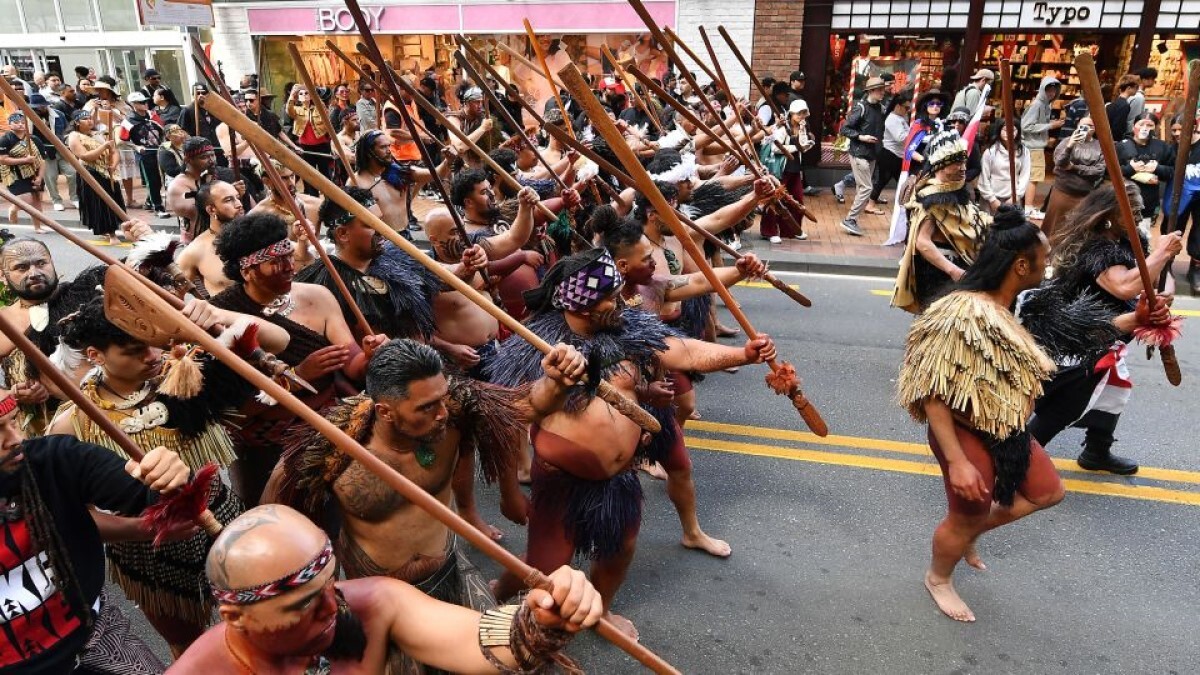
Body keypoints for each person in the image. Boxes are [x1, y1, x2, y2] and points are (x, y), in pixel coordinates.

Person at [488, 248, 777, 638]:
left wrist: (741, 353)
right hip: (561, 483)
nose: (620, 301)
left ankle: (602, 609)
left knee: (619, 550)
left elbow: (685, 350)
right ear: (582, 303)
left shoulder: (626, 329)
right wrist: (510, 488)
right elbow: (513, 415)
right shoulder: (536, 348)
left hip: (619, 480)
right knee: (547, 571)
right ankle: (514, 609)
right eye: (609, 296)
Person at [268, 338, 578, 671]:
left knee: (509, 661)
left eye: (442, 399)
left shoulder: (456, 413)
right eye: (427, 407)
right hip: (380, 599)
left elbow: (527, 404)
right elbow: (273, 528)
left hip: (450, 573)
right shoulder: (331, 452)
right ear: (385, 411)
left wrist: (556, 381)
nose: (442, 412)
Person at [47, 295, 287, 655]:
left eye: (155, 346)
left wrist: (215, 315)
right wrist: (139, 529)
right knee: (190, 647)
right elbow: (62, 514)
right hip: (150, 551)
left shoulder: (185, 375)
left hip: (223, 517)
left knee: (266, 623)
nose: (153, 357)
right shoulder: (74, 423)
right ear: (95, 355)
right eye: (133, 351)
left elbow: (278, 341)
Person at [170, 503, 603, 673]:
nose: (332, 608)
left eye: (331, 585)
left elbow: (480, 641)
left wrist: (542, 617)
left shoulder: (373, 602)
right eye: (304, 604)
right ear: (235, 617)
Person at [898, 205, 1063, 623]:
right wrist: (957, 462)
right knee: (964, 514)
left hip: (1006, 429)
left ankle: (970, 531)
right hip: (961, 432)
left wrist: (1136, 319)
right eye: (1044, 260)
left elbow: (1076, 327)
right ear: (1021, 265)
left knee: (1047, 493)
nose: (1049, 266)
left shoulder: (1011, 304)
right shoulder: (960, 312)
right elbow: (932, 393)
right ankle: (938, 577)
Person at [595, 208, 767, 558]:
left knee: (680, 466)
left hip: (657, 393)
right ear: (621, 266)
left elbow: (698, 282)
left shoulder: (651, 287)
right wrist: (639, 391)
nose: (655, 264)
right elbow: (593, 372)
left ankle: (692, 532)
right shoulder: (596, 307)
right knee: (610, 488)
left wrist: (738, 269)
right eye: (646, 259)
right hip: (614, 406)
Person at [0, 387, 195, 673]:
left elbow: (158, 499)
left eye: (13, 421)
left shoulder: (54, 460)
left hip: (92, 639)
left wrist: (172, 478)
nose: (16, 439)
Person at [210, 212, 386, 505]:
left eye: (290, 256)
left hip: (327, 429)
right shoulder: (221, 318)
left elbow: (352, 365)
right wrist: (298, 376)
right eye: (276, 263)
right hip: (262, 444)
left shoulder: (318, 296)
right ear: (247, 271)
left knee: (333, 514)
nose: (290, 267)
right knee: (269, 520)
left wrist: (370, 355)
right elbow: (234, 409)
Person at [1031, 183, 1184, 474]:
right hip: (1079, 339)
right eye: (1133, 211)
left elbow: (1155, 280)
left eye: (1141, 211)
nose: (1139, 217)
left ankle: (1097, 451)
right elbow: (1124, 286)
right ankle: (1019, 456)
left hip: (1110, 335)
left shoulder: (1133, 240)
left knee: (1115, 390)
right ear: (1111, 214)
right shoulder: (1096, 246)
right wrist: (1163, 253)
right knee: (1067, 404)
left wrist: (1164, 293)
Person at [892, 132, 992, 313]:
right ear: (940, 166)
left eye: (963, 162)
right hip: (939, 275)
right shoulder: (931, 198)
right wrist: (953, 271)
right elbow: (922, 242)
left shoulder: (957, 189)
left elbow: (973, 219)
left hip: (960, 268)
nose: (963, 168)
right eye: (956, 163)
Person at [177, 180, 245, 296]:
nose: (239, 204)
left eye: (238, 197)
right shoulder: (195, 251)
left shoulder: (258, 233)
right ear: (211, 209)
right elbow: (172, 297)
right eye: (229, 200)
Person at [66, 110, 124, 245]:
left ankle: (113, 229)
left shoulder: (99, 135)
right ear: (77, 123)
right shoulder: (74, 136)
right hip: (90, 173)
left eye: (90, 118)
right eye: (85, 119)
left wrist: (113, 165)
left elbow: (114, 152)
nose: (89, 121)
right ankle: (111, 233)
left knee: (113, 202)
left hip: (107, 173)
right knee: (101, 204)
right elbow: (85, 156)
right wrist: (104, 146)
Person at [1043, 116, 1106, 239]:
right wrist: (1070, 145)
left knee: (1077, 227)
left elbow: (1099, 170)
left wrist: (1074, 168)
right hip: (1062, 190)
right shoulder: (1067, 141)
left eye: (1090, 126)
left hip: (1085, 193)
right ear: (1077, 126)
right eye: (1083, 125)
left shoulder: (1099, 146)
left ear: (1095, 129)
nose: (1086, 128)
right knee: (1053, 226)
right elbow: (1060, 163)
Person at [838, 76, 886, 236]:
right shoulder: (861, 108)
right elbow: (845, 129)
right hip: (859, 153)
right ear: (871, 91)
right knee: (867, 188)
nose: (882, 92)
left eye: (883, 89)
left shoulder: (881, 108)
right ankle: (850, 219)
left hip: (872, 154)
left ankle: (853, 220)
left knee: (862, 188)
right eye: (880, 90)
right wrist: (861, 137)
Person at [761, 99, 813, 242]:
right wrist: (797, 147)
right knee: (774, 200)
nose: (802, 116)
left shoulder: (802, 128)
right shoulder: (783, 129)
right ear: (792, 114)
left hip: (795, 169)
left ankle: (791, 230)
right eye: (799, 113)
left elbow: (802, 145)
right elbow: (775, 148)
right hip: (781, 169)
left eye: (804, 113)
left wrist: (804, 139)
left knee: (797, 200)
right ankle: (769, 231)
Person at [1118, 113, 1173, 230]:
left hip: (1147, 203)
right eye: (1141, 124)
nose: (1145, 128)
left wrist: (1157, 168)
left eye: (1150, 125)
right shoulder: (1121, 146)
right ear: (1133, 126)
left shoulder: (1162, 147)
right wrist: (1130, 169)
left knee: (1143, 237)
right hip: (1123, 201)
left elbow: (1172, 171)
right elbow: (1108, 172)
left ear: (1156, 128)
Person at [1020, 76, 1064, 220]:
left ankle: (1026, 207)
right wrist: (1050, 125)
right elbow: (1026, 126)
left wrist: (1049, 124)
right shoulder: (1038, 104)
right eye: (1049, 90)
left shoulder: (1044, 104)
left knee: (1031, 177)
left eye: (1054, 91)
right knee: (1034, 177)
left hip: (1034, 145)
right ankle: (1028, 208)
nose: (1051, 94)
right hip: (1033, 147)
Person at [121, 92, 168, 217]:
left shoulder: (152, 115)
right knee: (152, 180)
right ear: (134, 105)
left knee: (159, 179)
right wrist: (136, 147)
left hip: (159, 149)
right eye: (141, 102)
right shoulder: (129, 120)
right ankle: (158, 207)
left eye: (145, 101)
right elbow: (123, 140)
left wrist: (164, 142)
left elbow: (163, 129)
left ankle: (149, 201)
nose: (145, 104)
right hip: (145, 153)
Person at [0, 112, 46, 233]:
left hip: (34, 172)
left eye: (22, 122)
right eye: (16, 122)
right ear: (9, 125)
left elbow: (42, 160)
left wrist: (40, 177)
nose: (20, 125)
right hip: (14, 173)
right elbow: (3, 159)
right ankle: (14, 209)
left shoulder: (34, 139)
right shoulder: (5, 139)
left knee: (37, 200)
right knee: (27, 199)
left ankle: (38, 227)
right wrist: (25, 160)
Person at [978, 122, 1030, 213]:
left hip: (1013, 198)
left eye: (1013, 130)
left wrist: (1016, 196)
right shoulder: (990, 152)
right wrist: (992, 199)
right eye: (1005, 130)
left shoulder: (1024, 152)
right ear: (999, 131)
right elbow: (984, 177)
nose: (1009, 133)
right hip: (992, 198)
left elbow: (1025, 175)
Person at [871, 90, 911, 209]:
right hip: (889, 155)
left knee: (896, 181)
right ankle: (871, 203)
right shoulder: (892, 119)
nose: (907, 110)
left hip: (897, 155)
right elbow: (900, 138)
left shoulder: (900, 118)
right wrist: (913, 135)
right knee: (884, 181)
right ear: (898, 106)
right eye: (906, 108)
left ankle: (904, 203)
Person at [180, 84, 225, 167]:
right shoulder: (188, 111)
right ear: (193, 95)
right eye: (198, 93)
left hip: (218, 150)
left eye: (203, 93)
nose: (201, 95)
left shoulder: (214, 109)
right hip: (201, 153)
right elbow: (182, 132)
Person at [1107, 74, 1139, 141]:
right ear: (1128, 88)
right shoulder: (1124, 105)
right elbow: (1118, 127)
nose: (1137, 90)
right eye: (1136, 87)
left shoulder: (1115, 102)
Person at [1126, 67, 1157, 137]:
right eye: (1152, 78)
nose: (1153, 81)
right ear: (1143, 79)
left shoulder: (1135, 95)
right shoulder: (1138, 97)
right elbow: (1133, 119)